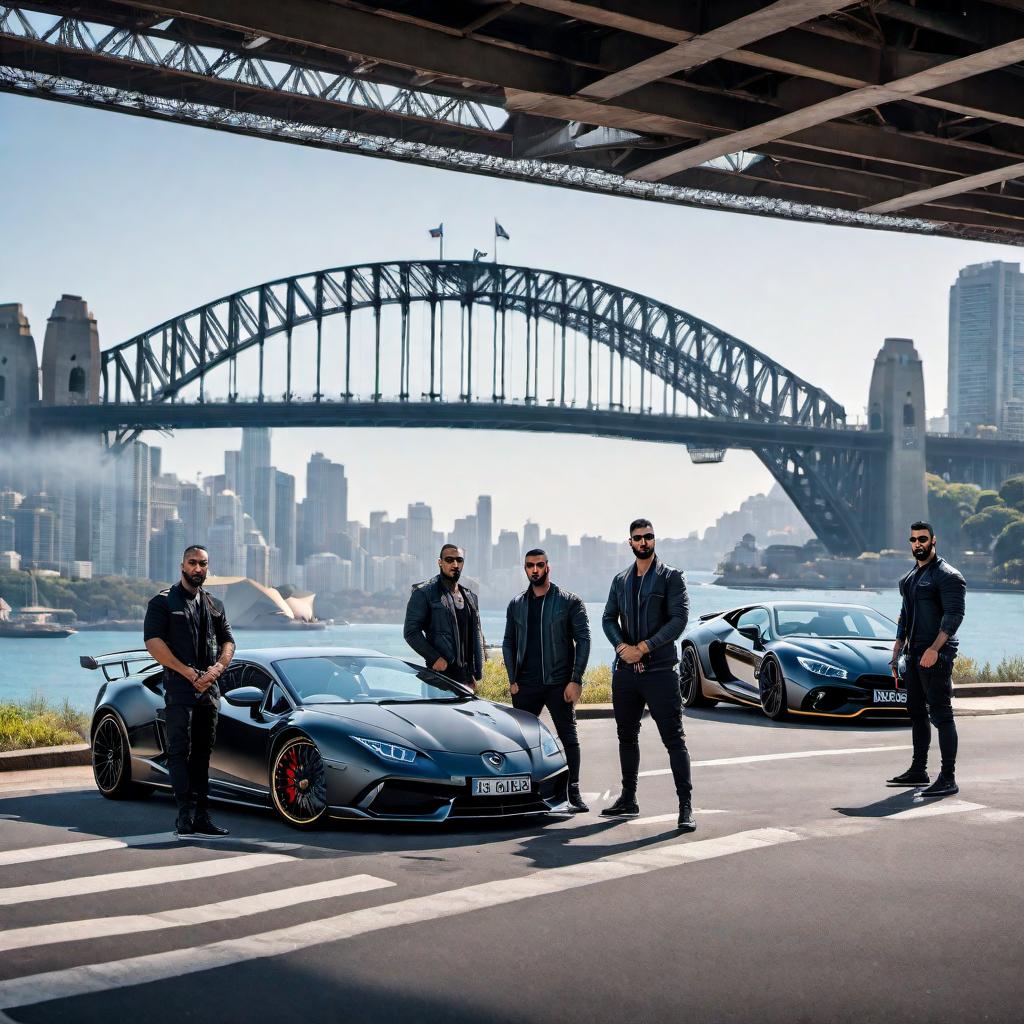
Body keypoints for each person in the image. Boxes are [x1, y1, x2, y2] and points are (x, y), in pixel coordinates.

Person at [601, 519, 695, 831]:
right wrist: (621, 647)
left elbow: (678, 620)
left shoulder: (671, 577)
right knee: (626, 736)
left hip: (660, 671)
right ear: (630, 542)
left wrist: (644, 647)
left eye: (649, 537)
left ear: (655, 540)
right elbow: (607, 618)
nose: (644, 542)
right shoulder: (620, 580)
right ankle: (629, 799)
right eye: (638, 538)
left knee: (674, 739)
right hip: (626, 672)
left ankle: (685, 805)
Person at [143, 545, 235, 839]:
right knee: (179, 753)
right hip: (179, 689)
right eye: (193, 563)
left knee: (203, 755)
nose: (198, 568)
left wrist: (216, 670)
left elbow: (229, 643)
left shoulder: (215, 605)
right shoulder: (163, 602)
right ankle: (184, 815)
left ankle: (203, 816)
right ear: (182, 565)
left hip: (209, 690)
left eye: (203, 564)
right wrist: (187, 672)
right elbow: (153, 642)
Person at [503, 548, 591, 813]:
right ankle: (524, 793)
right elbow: (509, 642)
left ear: (548, 568)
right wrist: (512, 679)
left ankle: (573, 791)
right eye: (530, 566)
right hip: (526, 685)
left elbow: (584, 640)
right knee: (518, 742)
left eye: (539, 565)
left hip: (558, 682)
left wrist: (575, 680)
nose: (535, 570)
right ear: (525, 569)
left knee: (568, 736)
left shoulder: (568, 601)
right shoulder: (517, 604)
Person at [887, 521, 966, 797]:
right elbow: (905, 615)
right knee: (916, 712)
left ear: (934, 540)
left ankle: (948, 777)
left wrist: (935, 649)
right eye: (913, 540)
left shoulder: (948, 576)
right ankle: (918, 770)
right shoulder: (911, 578)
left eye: (922, 539)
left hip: (937, 655)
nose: (917, 544)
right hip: (913, 654)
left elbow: (954, 616)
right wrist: (897, 650)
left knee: (941, 715)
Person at [404, 544, 484, 691]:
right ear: (440, 562)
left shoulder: (470, 597)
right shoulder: (424, 593)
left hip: (466, 680)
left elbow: (474, 636)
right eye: (449, 560)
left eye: (459, 560)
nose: (455, 564)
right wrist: (434, 658)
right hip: (439, 678)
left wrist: (475, 673)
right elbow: (411, 632)